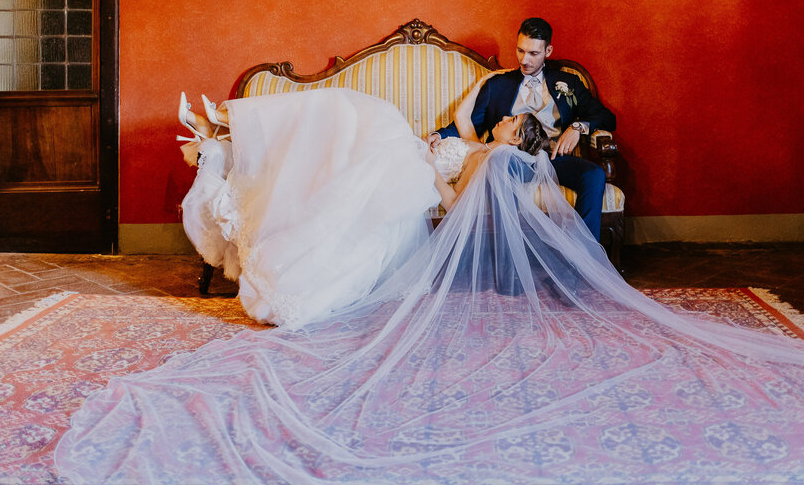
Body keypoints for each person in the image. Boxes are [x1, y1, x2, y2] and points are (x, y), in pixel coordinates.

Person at [57, 92, 804, 485]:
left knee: (355, 133)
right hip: (414, 152)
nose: (507, 129)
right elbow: (459, 141)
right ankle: (241, 128)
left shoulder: (491, 153)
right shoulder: (479, 125)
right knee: (348, 117)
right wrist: (457, 142)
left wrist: (463, 152)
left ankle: (241, 133)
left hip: (414, 163)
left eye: (511, 132)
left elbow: (462, 161)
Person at [175, 80, 549, 328]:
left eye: (512, 120)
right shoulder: (479, 143)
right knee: (338, 114)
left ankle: (222, 122)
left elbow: (452, 204)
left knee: (345, 108)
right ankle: (222, 125)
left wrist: (430, 162)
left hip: (410, 168)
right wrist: (489, 78)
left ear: (516, 141)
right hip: (410, 154)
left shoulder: (487, 161)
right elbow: (463, 115)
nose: (503, 117)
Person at [432, 17, 615, 241]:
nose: (524, 60)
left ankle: (584, 253)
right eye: (520, 50)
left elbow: (606, 117)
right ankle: (508, 253)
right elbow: (469, 122)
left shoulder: (569, 82)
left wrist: (578, 127)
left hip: (552, 159)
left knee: (594, 174)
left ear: (548, 51)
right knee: (500, 163)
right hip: (509, 160)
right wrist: (438, 135)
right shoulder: (498, 84)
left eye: (533, 53)